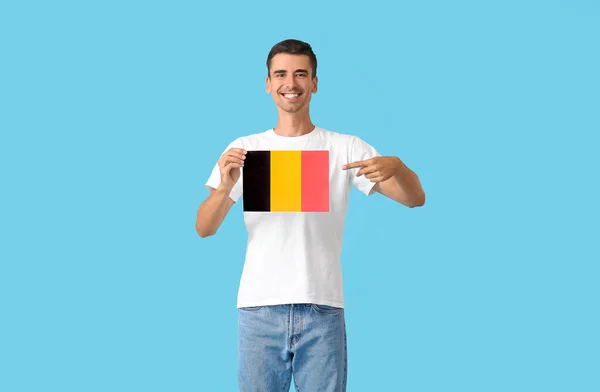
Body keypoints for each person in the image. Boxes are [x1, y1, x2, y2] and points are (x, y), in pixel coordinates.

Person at [196, 39, 425, 392]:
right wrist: (225, 186)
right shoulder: (246, 150)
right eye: (281, 74)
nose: (292, 83)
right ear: (268, 83)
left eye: (301, 74)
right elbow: (204, 228)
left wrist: (400, 166)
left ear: (315, 83)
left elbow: (414, 199)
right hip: (259, 310)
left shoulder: (345, 148)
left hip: (322, 309)